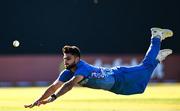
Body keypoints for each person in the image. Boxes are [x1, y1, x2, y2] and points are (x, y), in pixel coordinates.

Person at [24, 27, 173, 108]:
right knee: (140, 88)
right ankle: (157, 58)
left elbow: (70, 85)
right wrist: (38, 100)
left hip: (120, 75)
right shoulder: (67, 72)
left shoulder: (81, 68)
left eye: (68, 59)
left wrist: (53, 98)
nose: (66, 62)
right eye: (64, 59)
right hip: (116, 87)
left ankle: (155, 37)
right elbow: (53, 86)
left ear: (77, 58)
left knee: (146, 66)